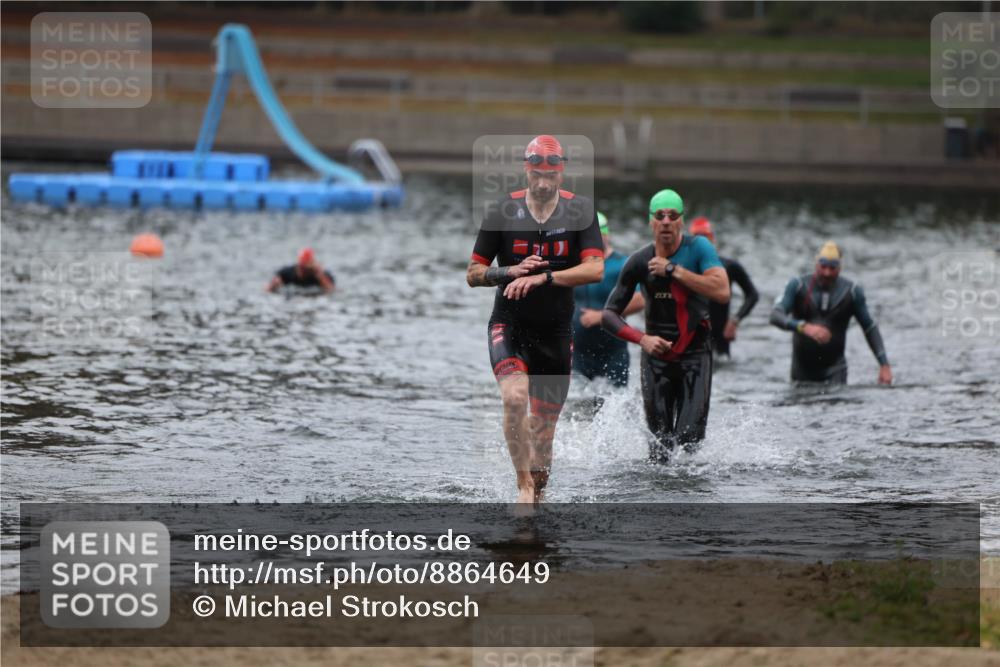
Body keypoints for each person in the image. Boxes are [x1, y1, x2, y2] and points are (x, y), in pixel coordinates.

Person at [466, 135, 604, 504]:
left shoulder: (580, 211)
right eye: (536, 174)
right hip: (509, 326)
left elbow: (595, 269)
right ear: (526, 170)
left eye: (550, 175)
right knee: (514, 398)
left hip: (555, 333)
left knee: (543, 439)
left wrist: (544, 278)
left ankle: (536, 499)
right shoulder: (501, 210)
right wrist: (509, 271)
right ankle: (522, 484)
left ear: (562, 173)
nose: (543, 183)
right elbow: (473, 274)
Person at [601, 189, 730, 462]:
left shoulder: (698, 248)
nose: (667, 221)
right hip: (656, 360)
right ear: (651, 221)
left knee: (689, 440)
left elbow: (722, 291)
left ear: (682, 219)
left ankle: (686, 490)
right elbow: (609, 315)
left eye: (673, 215)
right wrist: (642, 339)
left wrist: (673, 270)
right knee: (659, 449)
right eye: (660, 215)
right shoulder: (638, 261)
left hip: (695, 357)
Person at [770, 241, 892, 385]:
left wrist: (884, 365)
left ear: (840, 268)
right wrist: (803, 327)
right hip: (801, 371)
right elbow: (775, 315)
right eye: (823, 267)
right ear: (816, 265)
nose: (827, 273)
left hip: (835, 370)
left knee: (837, 398)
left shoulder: (852, 292)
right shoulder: (797, 286)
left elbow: (869, 327)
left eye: (832, 268)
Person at [573, 212, 644, 387]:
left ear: (606, 235)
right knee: (576, 402)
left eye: (597, 235)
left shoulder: (621, 264)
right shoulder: (572, 264)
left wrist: (601, 316)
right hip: (578, 352)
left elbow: (641, 299)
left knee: (616, 400)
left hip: (613, 351)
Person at [688, 217, 759, 358]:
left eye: (705, 237)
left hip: (720, 340)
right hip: (692, 339)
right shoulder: (682, 269)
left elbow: (752, 295)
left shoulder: (729, 267)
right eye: (697, 238)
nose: (701, 242)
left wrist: (734, 321)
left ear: (712, 239)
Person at [267, 247, 335, 293]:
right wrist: (274, 285)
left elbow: (331, 290)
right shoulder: (287, 273)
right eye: (301, 266)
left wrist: (320, 276)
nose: (303, 269)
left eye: (306, 266)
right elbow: (268, 289)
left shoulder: (320, 274)